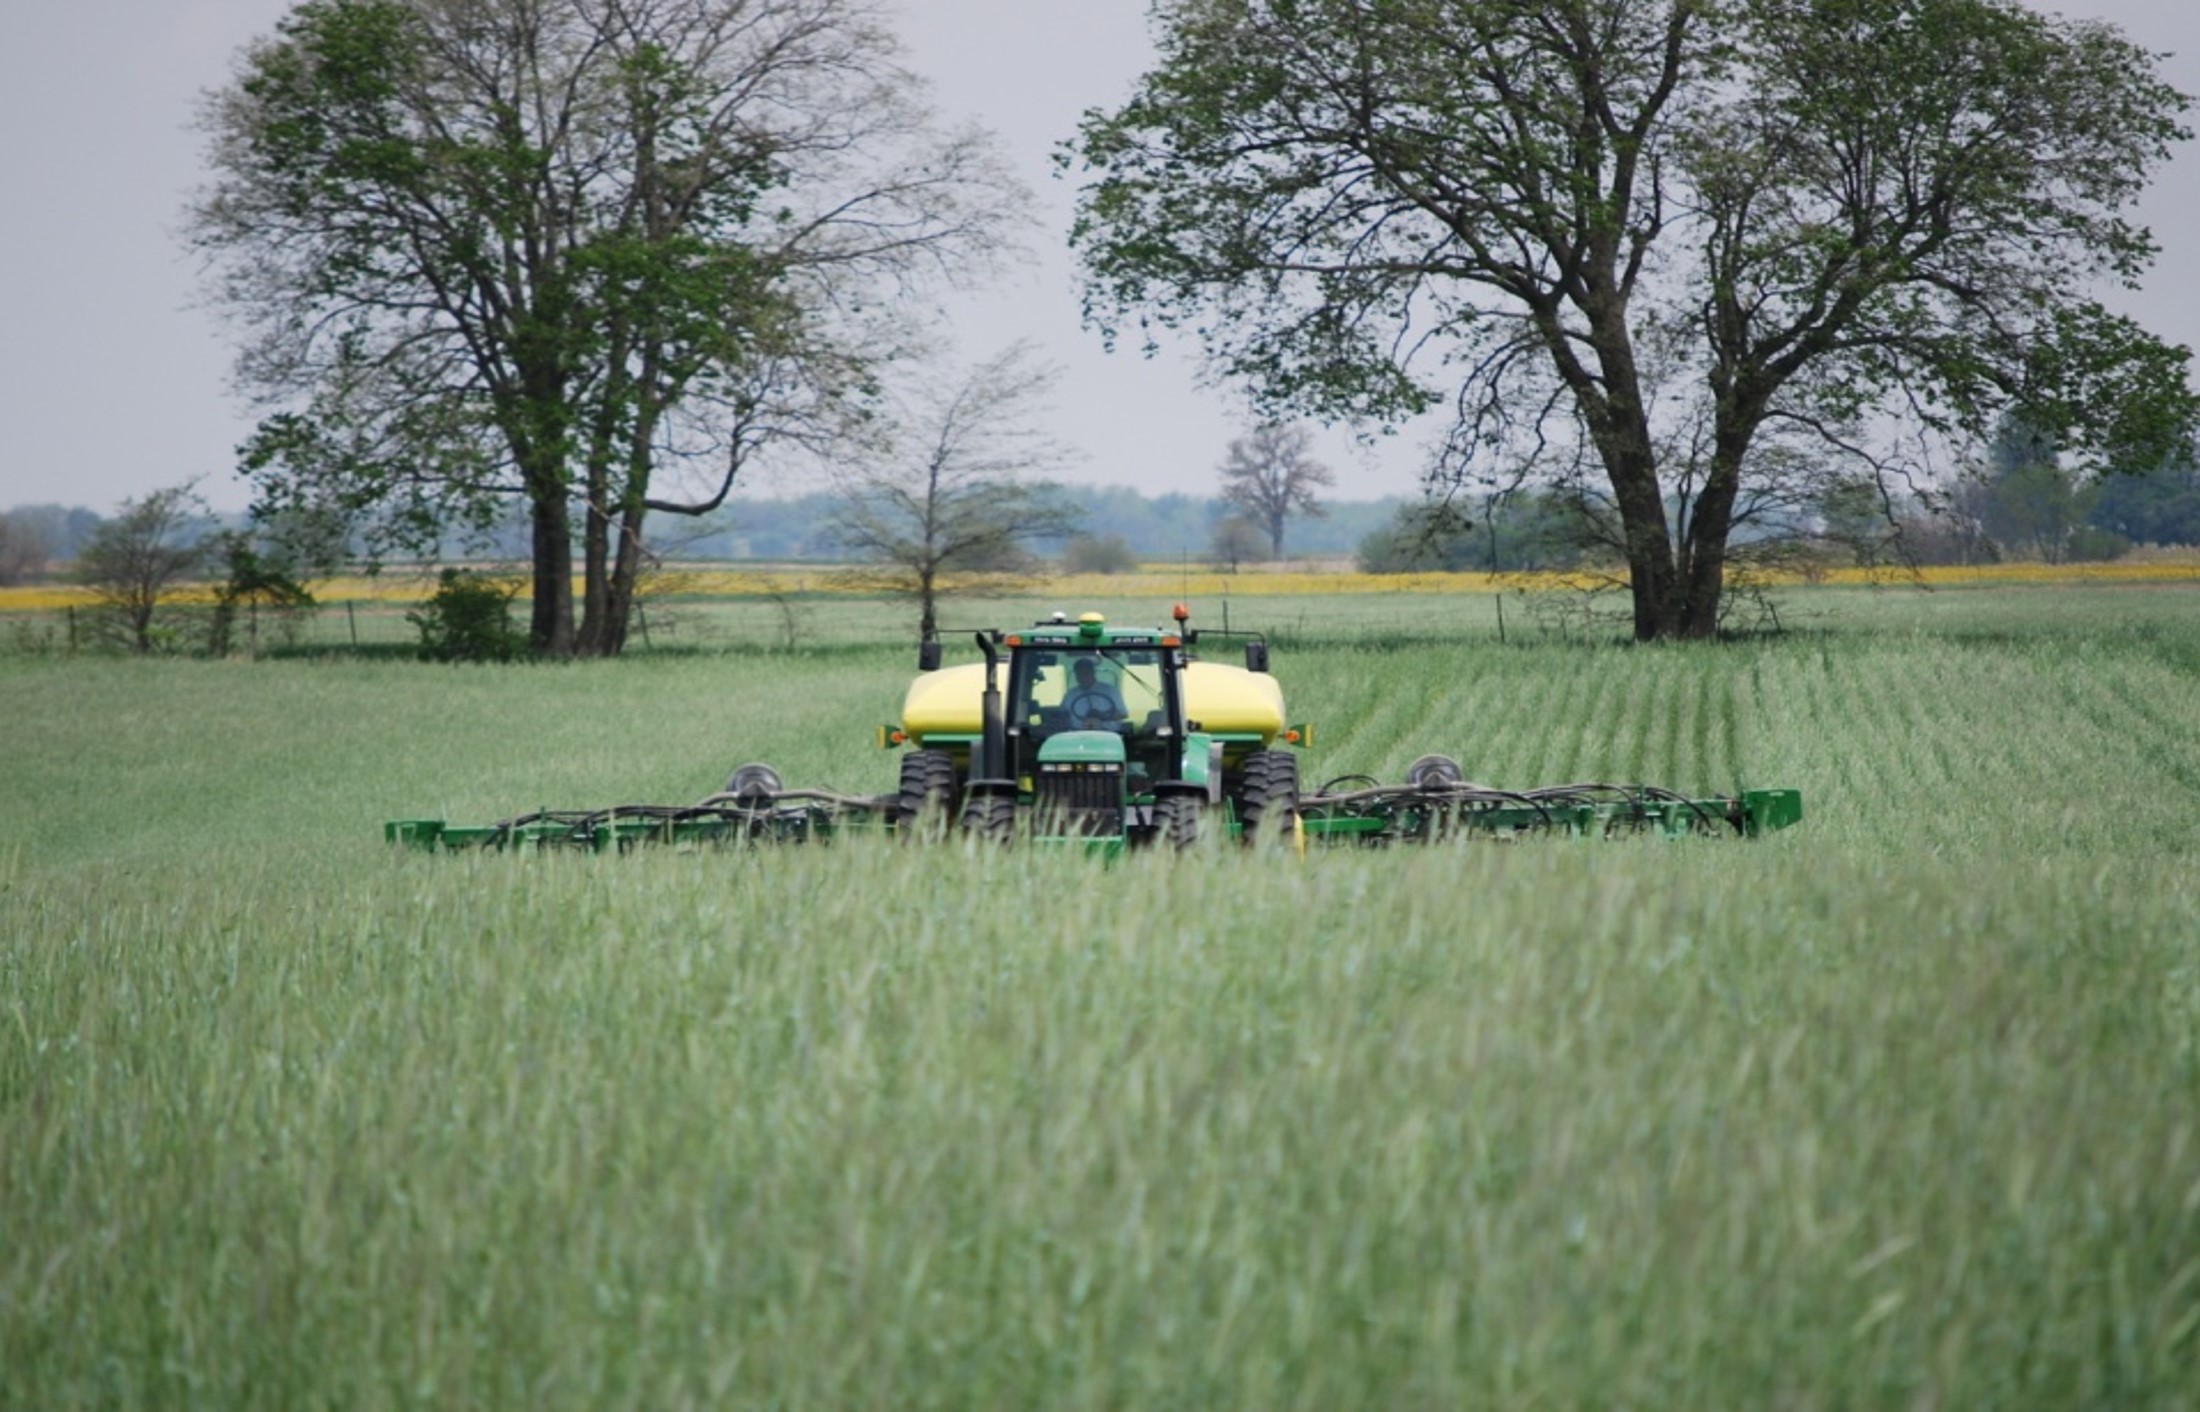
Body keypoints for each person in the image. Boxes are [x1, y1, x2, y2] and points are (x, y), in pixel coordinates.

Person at [1064, 656, 1127, 729]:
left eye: (1086, 673)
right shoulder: (1070, 695)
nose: (1083, 677)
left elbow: (1123, 714)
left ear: (1093, 673)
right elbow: (1061, 715)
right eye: (1079, 674)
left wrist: (1102, 716)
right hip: (1076, 734)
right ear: (1076, 675)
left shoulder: (1111, 690)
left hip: (1108, 734)